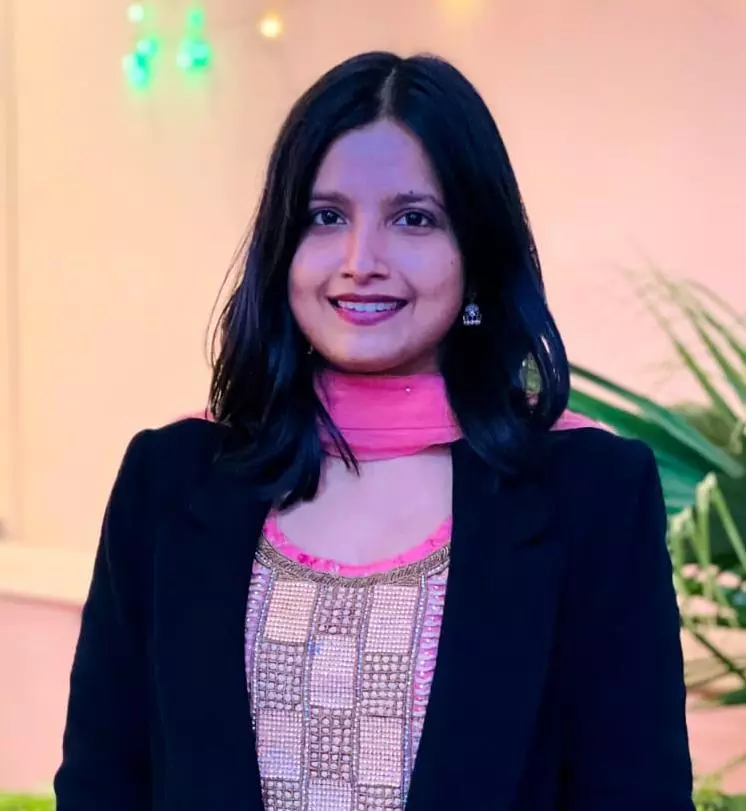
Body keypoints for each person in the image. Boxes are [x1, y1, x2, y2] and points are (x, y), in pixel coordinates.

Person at [54, 51, 694, 811]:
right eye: (325, 217)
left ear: (476, 254)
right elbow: (102, 782)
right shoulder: (170, 478)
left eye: (413, 219)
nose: (361, 261)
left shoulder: (591, 492)